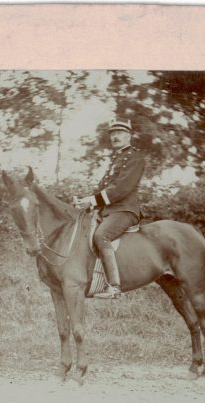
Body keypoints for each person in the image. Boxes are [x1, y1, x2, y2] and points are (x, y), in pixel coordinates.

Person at [75, 118, 144, 299]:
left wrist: (93, 200)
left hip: (124, 210)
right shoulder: (117, 158)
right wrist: (87, 201)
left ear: (129, 135)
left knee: (101, 235)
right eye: (113, 133)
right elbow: (103, 187)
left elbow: (121, 188)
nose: (115, 136)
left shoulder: (135, 157)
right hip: (108, 211)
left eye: (120, 133)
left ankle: (114, 287)